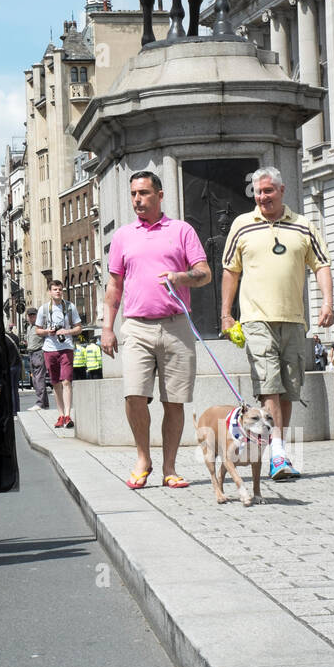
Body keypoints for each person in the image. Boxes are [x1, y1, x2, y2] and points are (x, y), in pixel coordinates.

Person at [221, 166, 333, 485]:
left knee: (288, 389)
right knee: (269, 385)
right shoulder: (242, 226)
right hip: (256, 319)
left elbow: (321, 264)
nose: (262, 197)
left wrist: (327, 303)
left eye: (268, 190)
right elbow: (230, 270)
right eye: (258, 192)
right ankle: (279, 454)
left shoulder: (303, 227)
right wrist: (226, 314)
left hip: (294, 320)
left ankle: (272, 449)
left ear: (282, 190)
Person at [102, 170, 211, 489]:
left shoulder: (181, 230)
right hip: (136, 326)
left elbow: (203, 273)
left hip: (176, 325)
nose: (138, 199)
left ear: (160, 195)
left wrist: (180, 277)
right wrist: (107, 326)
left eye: (144, 193)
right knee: (134, 394)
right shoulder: (123, 235)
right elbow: (114, 284)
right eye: (134, 193)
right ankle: (142, 458)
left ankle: (170, 467)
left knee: (173, 401)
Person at [35, 281, 81, 429]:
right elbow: (37, 330)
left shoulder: (69, 307)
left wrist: (67, 331)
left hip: (66, 348)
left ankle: (68, 415)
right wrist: (49, 331)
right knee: (55, 383)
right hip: (50, 349)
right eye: (55, 289)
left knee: (66, 381)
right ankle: (61, 415)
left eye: (60, 290)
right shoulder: (43, 309)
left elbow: (79, 328)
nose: (58, 292)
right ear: (49, 291)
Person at [25, 308, 49, 410]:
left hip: (39, 353)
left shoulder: (40, 327)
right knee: (35, 380)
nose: (31, 317)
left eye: (33, 315)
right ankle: (44, 403)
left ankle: (40, 403)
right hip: (31, 354)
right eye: (29, 315)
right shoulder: (29, 328)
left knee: (39, 379)